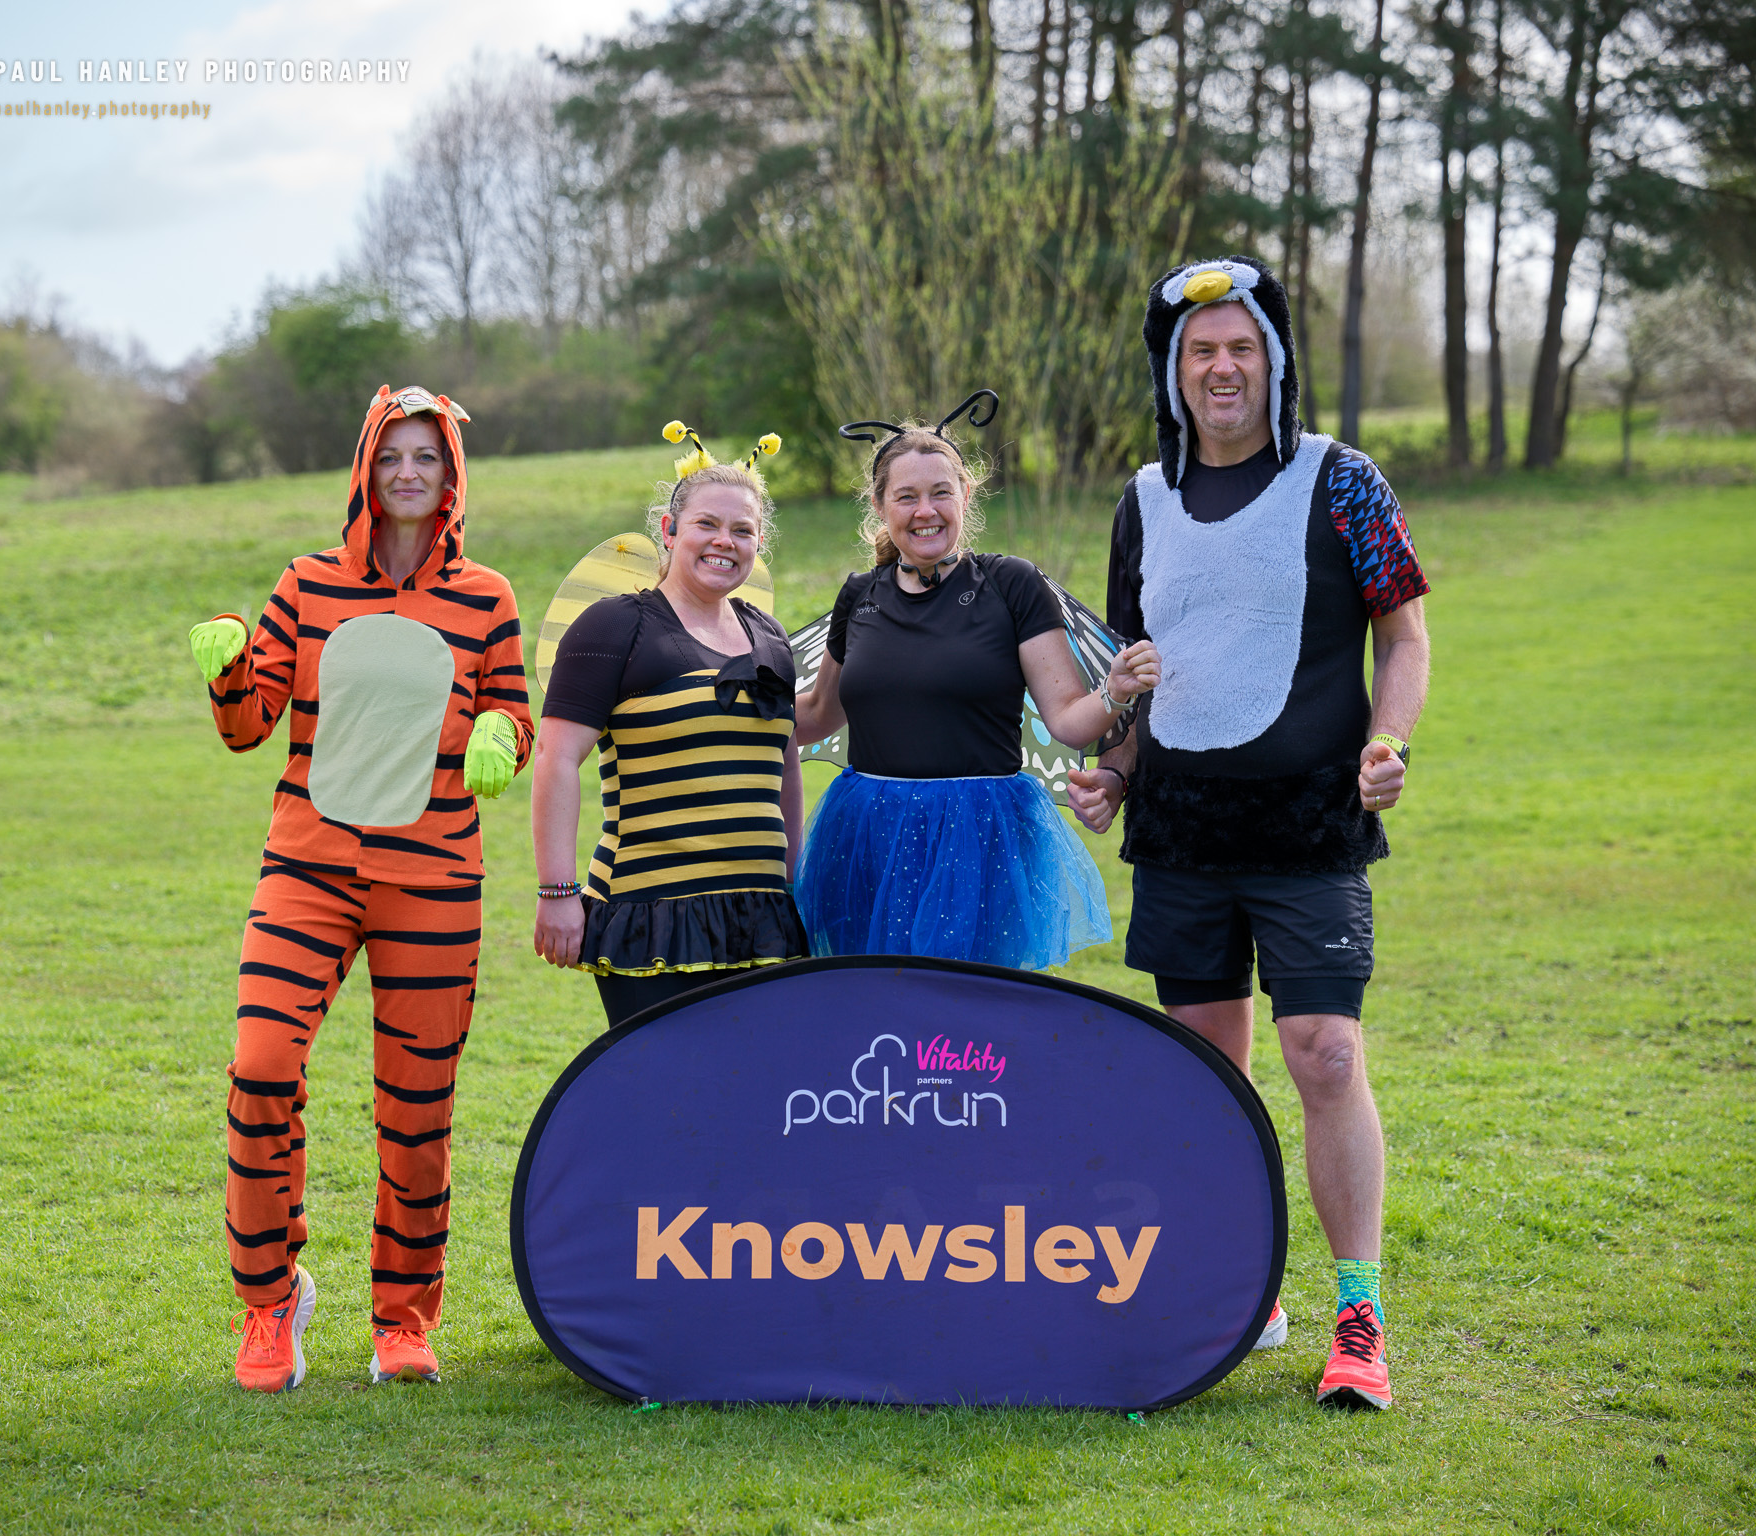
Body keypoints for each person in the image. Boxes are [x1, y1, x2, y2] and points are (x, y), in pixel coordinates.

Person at [1067, 257, 1431, 1411]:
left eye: (1238, 348)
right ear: (1171, 375)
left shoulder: (1344, 481)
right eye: (1196, 353)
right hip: (1179, 834)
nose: (1219, 369)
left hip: (1311, 828)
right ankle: (1244, 1289)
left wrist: (1387, 745)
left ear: (1272, 359)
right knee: (1206, 1076)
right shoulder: (1141, 498)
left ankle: (1357, 1316)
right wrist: (1113, 769)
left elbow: (1405, 638)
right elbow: (1141, 670)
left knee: (1323, 1053)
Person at [186, 384, 534, 1393]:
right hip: (307, 866)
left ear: (451, 475)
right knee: (260, 1066)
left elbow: (510, 711)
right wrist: (223, 672)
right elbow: (248, 726)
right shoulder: (304, 585)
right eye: (393, 456)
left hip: (433, 875)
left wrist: (500, 745)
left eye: (428, 456)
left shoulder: (488, 597)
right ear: (364, 471)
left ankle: (403, 1317)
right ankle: (269, 1303)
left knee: (415, 1108)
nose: (409, 473)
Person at [792, 393, 1161, 971]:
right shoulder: (858, 596)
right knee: (874, 1010)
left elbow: (1067, 719)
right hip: (866, 833)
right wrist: (732, 693)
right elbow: (815, 715)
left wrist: (1113, 690)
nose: (925, 510)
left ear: (965, 495)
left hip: (978, 835)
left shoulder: (1010, 585)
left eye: (940, 492)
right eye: (906, 496)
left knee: (966, 1024)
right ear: (879, 505)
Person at [532, 424, 809, 1028]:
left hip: (761, 914)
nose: (723, 542)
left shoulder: (770, 636)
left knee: (755, 1095)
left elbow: (785, 766)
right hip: (652, 914)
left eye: (742, 530)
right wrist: (557, 892)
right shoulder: (612, 628)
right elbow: (555, 759)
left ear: (758, 543)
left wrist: (793, 881)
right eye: (707, 524)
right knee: (664, 1101)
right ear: (670, 529)